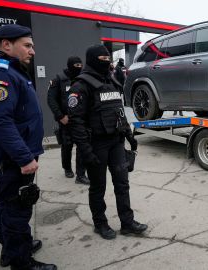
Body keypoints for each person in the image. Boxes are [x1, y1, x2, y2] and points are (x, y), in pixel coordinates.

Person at [0, 24, 56, 269]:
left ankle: (11, 250)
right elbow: (0, 122)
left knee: (8, 205)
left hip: (15, 154)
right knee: (17, 209)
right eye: (27, 45)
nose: (32, 51)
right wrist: (24, 158)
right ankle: (21, 262)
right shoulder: (0, 74)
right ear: (7, 45)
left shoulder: (11, 70)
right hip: (13, 157)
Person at [68, 44, 147, 240]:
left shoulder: (111, 82)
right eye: (104, 60)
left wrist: (129, 135)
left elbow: (119, 111)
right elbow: (76, 123)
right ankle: (100, 223)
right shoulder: (81, 85)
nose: (108, 64)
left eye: (108, 60)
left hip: (116, 142)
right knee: (98, 187)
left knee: (122, 184)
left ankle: (127, 223)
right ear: (94, 61)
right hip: (96, 145)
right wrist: (85, 150)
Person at [47, 56, 89, 185]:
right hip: (66, 120)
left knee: (82, 146)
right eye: (76, 65)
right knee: (67, 146)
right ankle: (67, 168)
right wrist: (60, 116)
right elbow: (51, 100)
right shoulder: (59, 79)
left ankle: (81, 175)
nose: (79, 67)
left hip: (81, 119)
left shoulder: (83, 79)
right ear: (70, 65)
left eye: (80, 65)